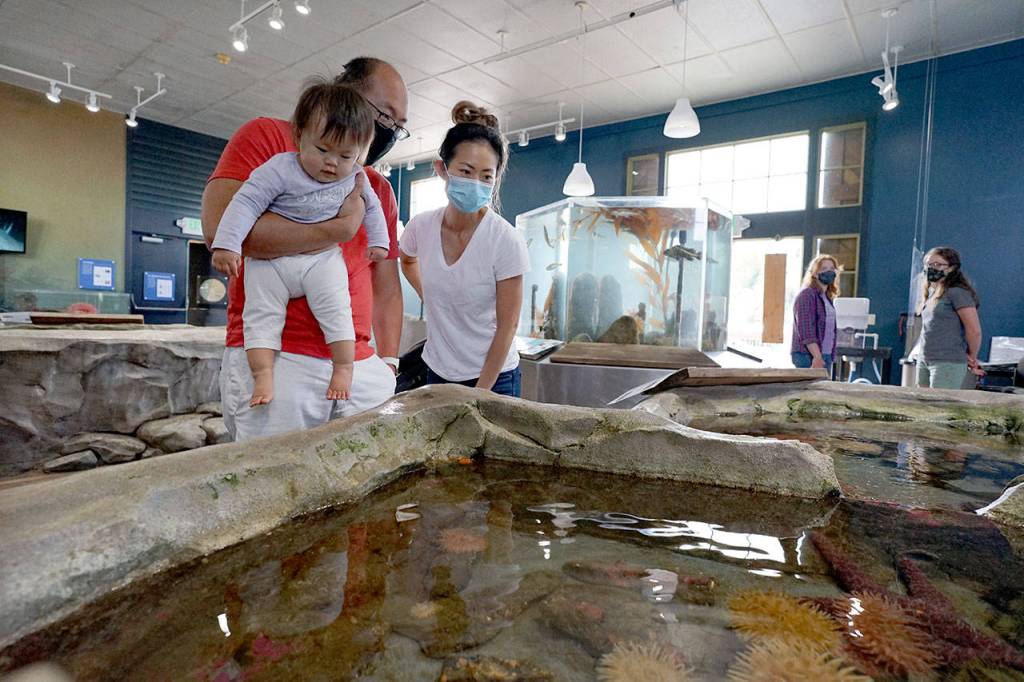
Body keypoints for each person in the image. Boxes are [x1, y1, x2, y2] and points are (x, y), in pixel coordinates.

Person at [202, 57, 408, 442]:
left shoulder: (375, 185)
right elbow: (222, 228)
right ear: (348, 93)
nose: (389, 131)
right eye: (385, 116)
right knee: (272, 485)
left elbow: (386, 284)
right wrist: (337, 229)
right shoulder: (266, 139)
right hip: (282, 357)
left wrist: (390, 362)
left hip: (358, 363)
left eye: (399, 127)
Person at [399, 101, 529, 397]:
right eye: (466, 171)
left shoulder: (505, 240)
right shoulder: (421, 227)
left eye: (486, 176)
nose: (476, 183)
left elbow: (507, 327)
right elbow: (407, 261)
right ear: (442, 169)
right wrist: (428, 296)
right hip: (437, 370)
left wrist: (480, 393)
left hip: (494, 377)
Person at [915, 246, 983, 389]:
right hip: (925, 359)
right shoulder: (933, 294)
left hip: (947, 361)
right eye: (928, 264)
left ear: (951, 268)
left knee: (938, 407)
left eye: (938, 264)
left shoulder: (957, 293)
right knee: (921, 406)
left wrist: (972, 356)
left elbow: (974, 330)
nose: (931, 268)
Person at [791, 254, 839, 372]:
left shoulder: (826, 298)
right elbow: (806, 329)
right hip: (808, 356)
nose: (829, 271)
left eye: (832, 269)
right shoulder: (807, 295)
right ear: (814, 274)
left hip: (825, 354)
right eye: (824, 269)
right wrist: (817, 357)